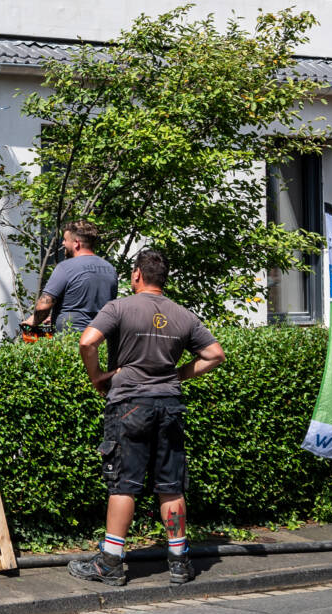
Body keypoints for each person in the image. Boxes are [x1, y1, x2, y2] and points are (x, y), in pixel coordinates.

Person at [69, 249, 225, 588]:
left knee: (124, 483)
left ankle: (110, 562)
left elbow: (87, 342)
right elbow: (215, 354)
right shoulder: (183, 315)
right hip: (170, 405)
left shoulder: (119, 308)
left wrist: (98, 377)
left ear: (137, 275)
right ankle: (180, 562)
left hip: (129, 404)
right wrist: (177, 375)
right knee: (170, 485)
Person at [27, 221, 117, 339]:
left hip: (70, 341)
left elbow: (43, 306)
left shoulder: (66, 267)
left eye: (65, 240)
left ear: (76, 243)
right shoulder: (110, 269)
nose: (63, 243)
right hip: (99, 339)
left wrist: (32, 322)